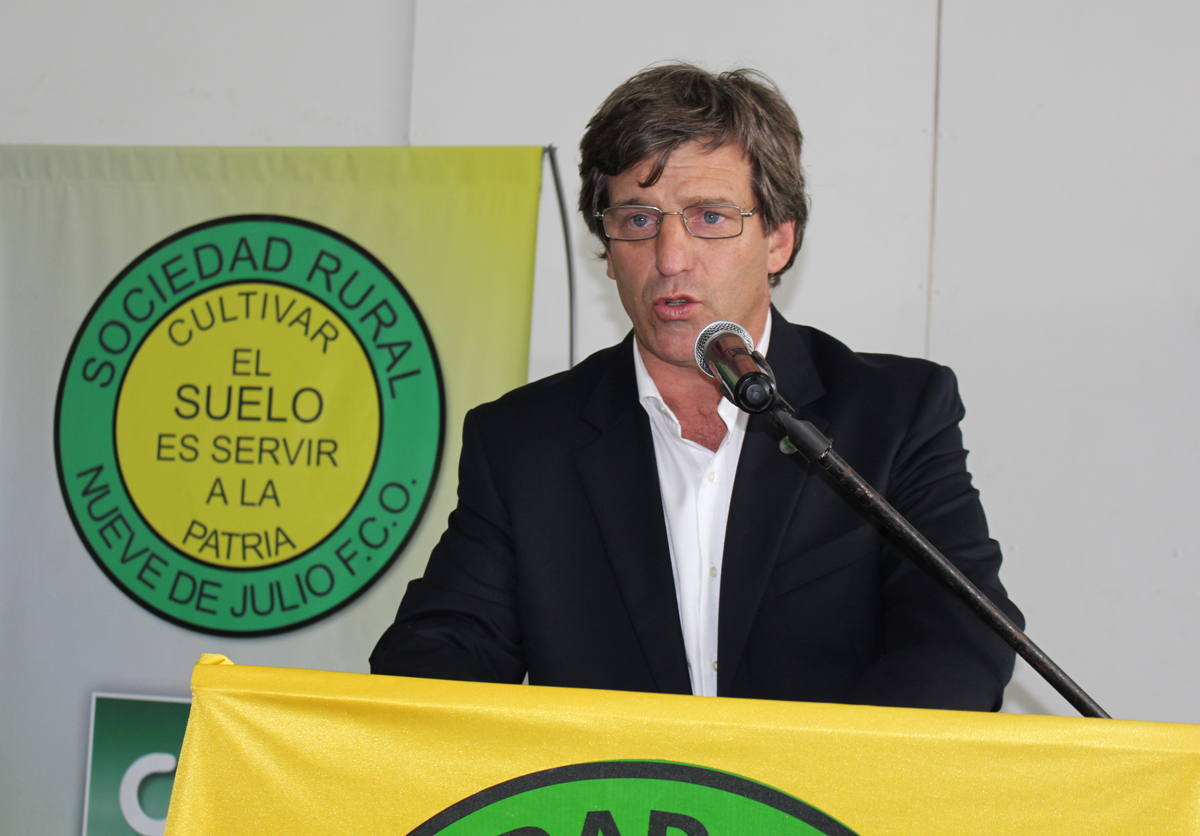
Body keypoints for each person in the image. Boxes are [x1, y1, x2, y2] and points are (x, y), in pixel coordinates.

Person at [371, 63, 1022, 710]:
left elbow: (959, 642)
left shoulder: (893, 415)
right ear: (607, 250)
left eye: (709, 217)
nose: (670, 257)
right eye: (638, 220)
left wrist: (820, 774)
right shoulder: (524, 442)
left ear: (779, 240)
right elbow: (441, 653)